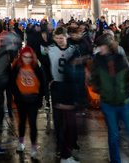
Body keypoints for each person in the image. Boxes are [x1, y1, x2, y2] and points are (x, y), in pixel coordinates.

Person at [90, 32, 129, 163]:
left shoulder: (120, 59)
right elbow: (94, 80)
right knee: (113, 133)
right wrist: (101, 90)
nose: (100, 49)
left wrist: (127, 91)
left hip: (123, 100)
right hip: (108, 103)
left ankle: (125, 152)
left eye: (102, 46)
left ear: (109, 46)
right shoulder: (97, 61)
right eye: (99, 47)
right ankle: (116, 159)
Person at [42, 26, 83, 163]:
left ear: (67, 37)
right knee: (58, 118)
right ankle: (61, 145)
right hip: (57, 86)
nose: (59, 40)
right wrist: (48, 80)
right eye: (57, 38)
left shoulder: (73, 50)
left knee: (71, 119)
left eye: (62, 37)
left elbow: (79, 67)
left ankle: (70, 144)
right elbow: (44, 65)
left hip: (70, 87)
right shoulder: (50, 50)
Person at [9, 45, 46, 159]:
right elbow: (12, 82)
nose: (27, 59)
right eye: (25, 57)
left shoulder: (36, 66)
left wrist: (40, 98)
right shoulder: (17, 66)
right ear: (21, 56)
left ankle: (34, 147)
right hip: (21, 99)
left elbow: (43, 82)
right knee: (22, 121)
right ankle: (21, 142)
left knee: (33, 123)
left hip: (33, 99)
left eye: (30, 57)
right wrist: (17, 96)